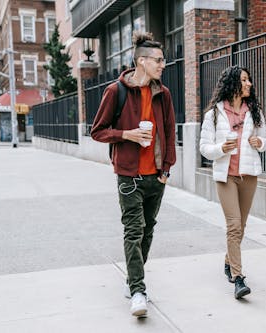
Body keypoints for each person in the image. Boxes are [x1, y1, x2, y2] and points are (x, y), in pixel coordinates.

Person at [91, 31, 176, 317]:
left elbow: (169, 131)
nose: (163, 64)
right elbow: (98, 131)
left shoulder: (162, 93)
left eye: (163, 60)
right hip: (129, 175)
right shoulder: (116, 91)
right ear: (141, 61)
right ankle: (138, 290)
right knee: (133, 230)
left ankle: (133, 278)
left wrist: (166, 170)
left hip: (156, 176)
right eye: (158, 60)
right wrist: (126, 134)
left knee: (148, 230)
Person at [200, 65, 266, 299]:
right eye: (244, 80)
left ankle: (229, 260)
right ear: (232, 84)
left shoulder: (254, 111)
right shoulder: (214, 115)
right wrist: (221, 148)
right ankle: (238, 278)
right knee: (234, 225)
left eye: (249, 80)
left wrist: (259, 143)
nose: (249, 84)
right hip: (225, 176)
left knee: (242, 225)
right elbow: (204, 148)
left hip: (248, 175)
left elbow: (265, 139)